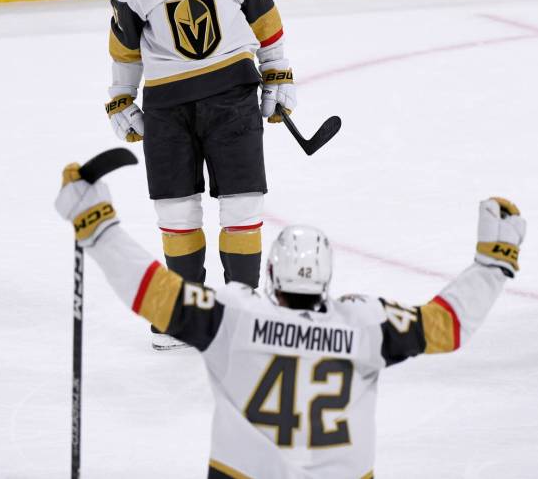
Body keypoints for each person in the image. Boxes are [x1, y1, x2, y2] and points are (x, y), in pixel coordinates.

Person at [55, 163, 526, 479]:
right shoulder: (364, 325)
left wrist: (99, 229)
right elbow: (447, 326)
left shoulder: (235, 316)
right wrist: (493, 264)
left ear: (272, 275)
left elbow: (152, 293)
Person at [104, 0, 296, 299]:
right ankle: (191, 308)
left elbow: (264, 18)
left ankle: (242, 306)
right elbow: (125, 49)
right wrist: (121, 97)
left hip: (233, 97)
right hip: (166, 108)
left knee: (243, 204)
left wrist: (277, 69)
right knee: (176, 211)